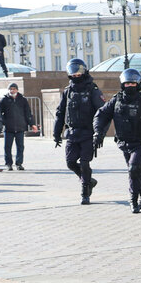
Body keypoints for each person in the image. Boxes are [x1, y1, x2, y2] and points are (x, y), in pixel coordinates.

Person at [93, 68, 141, 212]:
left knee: (133, 168)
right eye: (127, 84)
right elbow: (101, 115)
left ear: (138, 84)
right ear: (123, 85)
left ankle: (133, 198)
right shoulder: (117, 100)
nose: (130, 86)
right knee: (134, 170)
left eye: (133, 84)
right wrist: (98, 132)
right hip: (124, 142)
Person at [54, 58, 104, 204]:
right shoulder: (67, 91)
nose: (76, 76)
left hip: (88, 133)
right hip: (72, 132)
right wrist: (56, 133)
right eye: (73, 74)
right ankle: (89, 181)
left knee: (84, 163)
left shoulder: (92, 90)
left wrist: (99, 133)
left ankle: (85, 192)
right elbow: (60, 112)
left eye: (78, 73)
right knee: (70, 162)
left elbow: (102, 113)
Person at [0, 82, 34, 170]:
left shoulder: (22, 99)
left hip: (20, 127)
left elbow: (28, 113)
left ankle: (19, 163)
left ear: (17, 90)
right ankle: (8, 164)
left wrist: (32, 124)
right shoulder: (4, 100)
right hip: (8, 128)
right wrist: (4, 122)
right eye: (10, 89)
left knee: (20, 147)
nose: (12, 90)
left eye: (14, 89)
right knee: (7, 147)